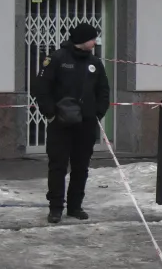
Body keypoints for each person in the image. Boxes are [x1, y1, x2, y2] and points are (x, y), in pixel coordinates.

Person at [31, 23, 110, 224]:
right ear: (83, 40)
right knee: (58, 166)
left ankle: (75, 206)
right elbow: (42, 87)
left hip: (86, 124)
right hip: (61, 123)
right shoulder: (57, 59)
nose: (95, 42)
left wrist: (97, 113)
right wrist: (50, 113)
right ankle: (56, 207)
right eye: (93, 38)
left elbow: (103, 90)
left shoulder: (94, 63)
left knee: (81, 167)